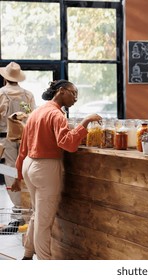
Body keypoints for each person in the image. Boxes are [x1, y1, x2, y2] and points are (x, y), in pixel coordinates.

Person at [11, 80, 102, 260]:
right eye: (73, 93)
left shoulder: (36, 112)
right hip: (46, 167)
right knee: (45, 221)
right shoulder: (57, 115)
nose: (75, 98)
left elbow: (23, 148)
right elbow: (67, 144)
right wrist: (85, 122)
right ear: (61, 91)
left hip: (30, 165)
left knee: (38, 213)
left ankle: (28, 255)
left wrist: (18, 175)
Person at [0, 62, 36, 212]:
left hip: (4, 138)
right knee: (25, 169)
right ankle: (27, 205)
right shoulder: (28, 95)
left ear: (5, 77)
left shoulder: (1, 93)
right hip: (25, 138)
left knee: (8, 169)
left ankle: (17, 206)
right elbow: (33, 117)